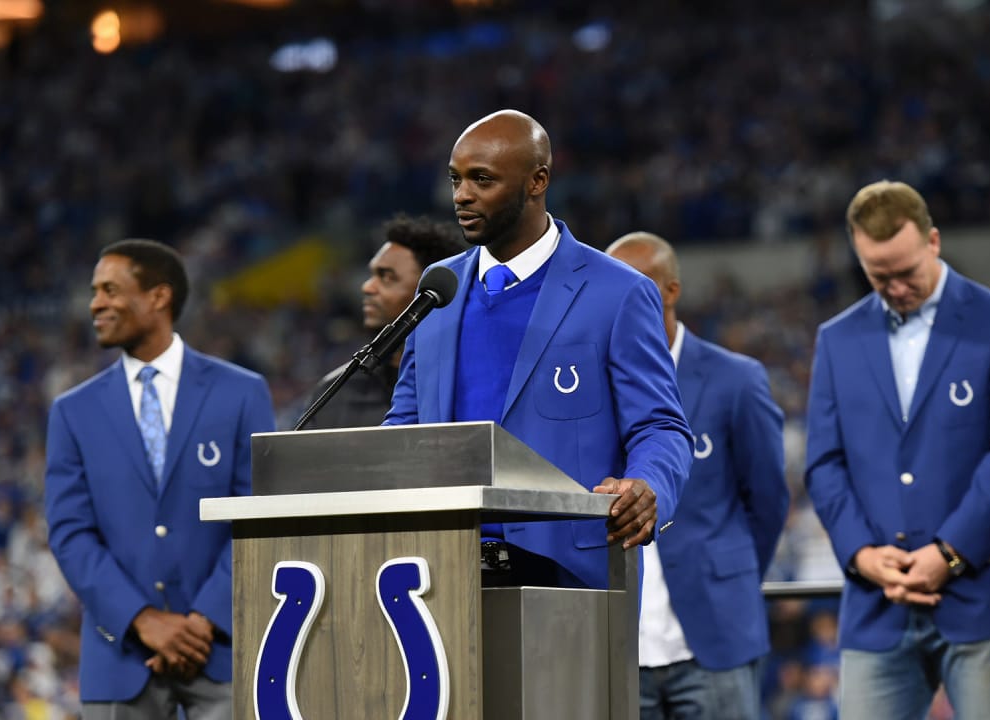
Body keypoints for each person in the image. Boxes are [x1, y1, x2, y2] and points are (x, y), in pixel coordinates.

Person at [383, 109, 692, 589]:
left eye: (481, 180)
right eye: (455, 179)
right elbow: (405, 425)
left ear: (537, 180)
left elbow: (660, 425)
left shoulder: (618, 292)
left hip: (571, 577)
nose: (461, 196)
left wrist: (647, 484)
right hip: (441, 572)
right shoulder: (438, 289)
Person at [804, 180, 990, 719]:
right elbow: (823, 463)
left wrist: (950, 552)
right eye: (876, 274)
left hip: (982, 595)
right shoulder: (838, 339)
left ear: (933, 242)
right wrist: (862, 555)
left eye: (905, 271)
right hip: (876, 601)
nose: (894, 287)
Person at [45, 239, 275, 718]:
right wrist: (143, 620)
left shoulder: (241, 393)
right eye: (94, 291)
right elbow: (69, 534)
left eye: (110, 289)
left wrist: (203, 620)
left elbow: (258, 519)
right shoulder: (72, 412)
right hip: (119, 655)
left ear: (158, 296)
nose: (96, 303)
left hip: (223, 651)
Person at [606, 231, 789, 719]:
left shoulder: (736, 379)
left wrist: (732, 575)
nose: (620, 296)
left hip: (715, 634)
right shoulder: (588, 382)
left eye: (638, 283)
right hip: (619, 643)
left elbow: (768, 501)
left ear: (672, 290)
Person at [303, 214, 465, 428]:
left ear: (433, 288)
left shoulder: (465, 383)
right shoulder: (335, 392)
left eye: (387, 277)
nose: (367, 287)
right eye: (372, 275)